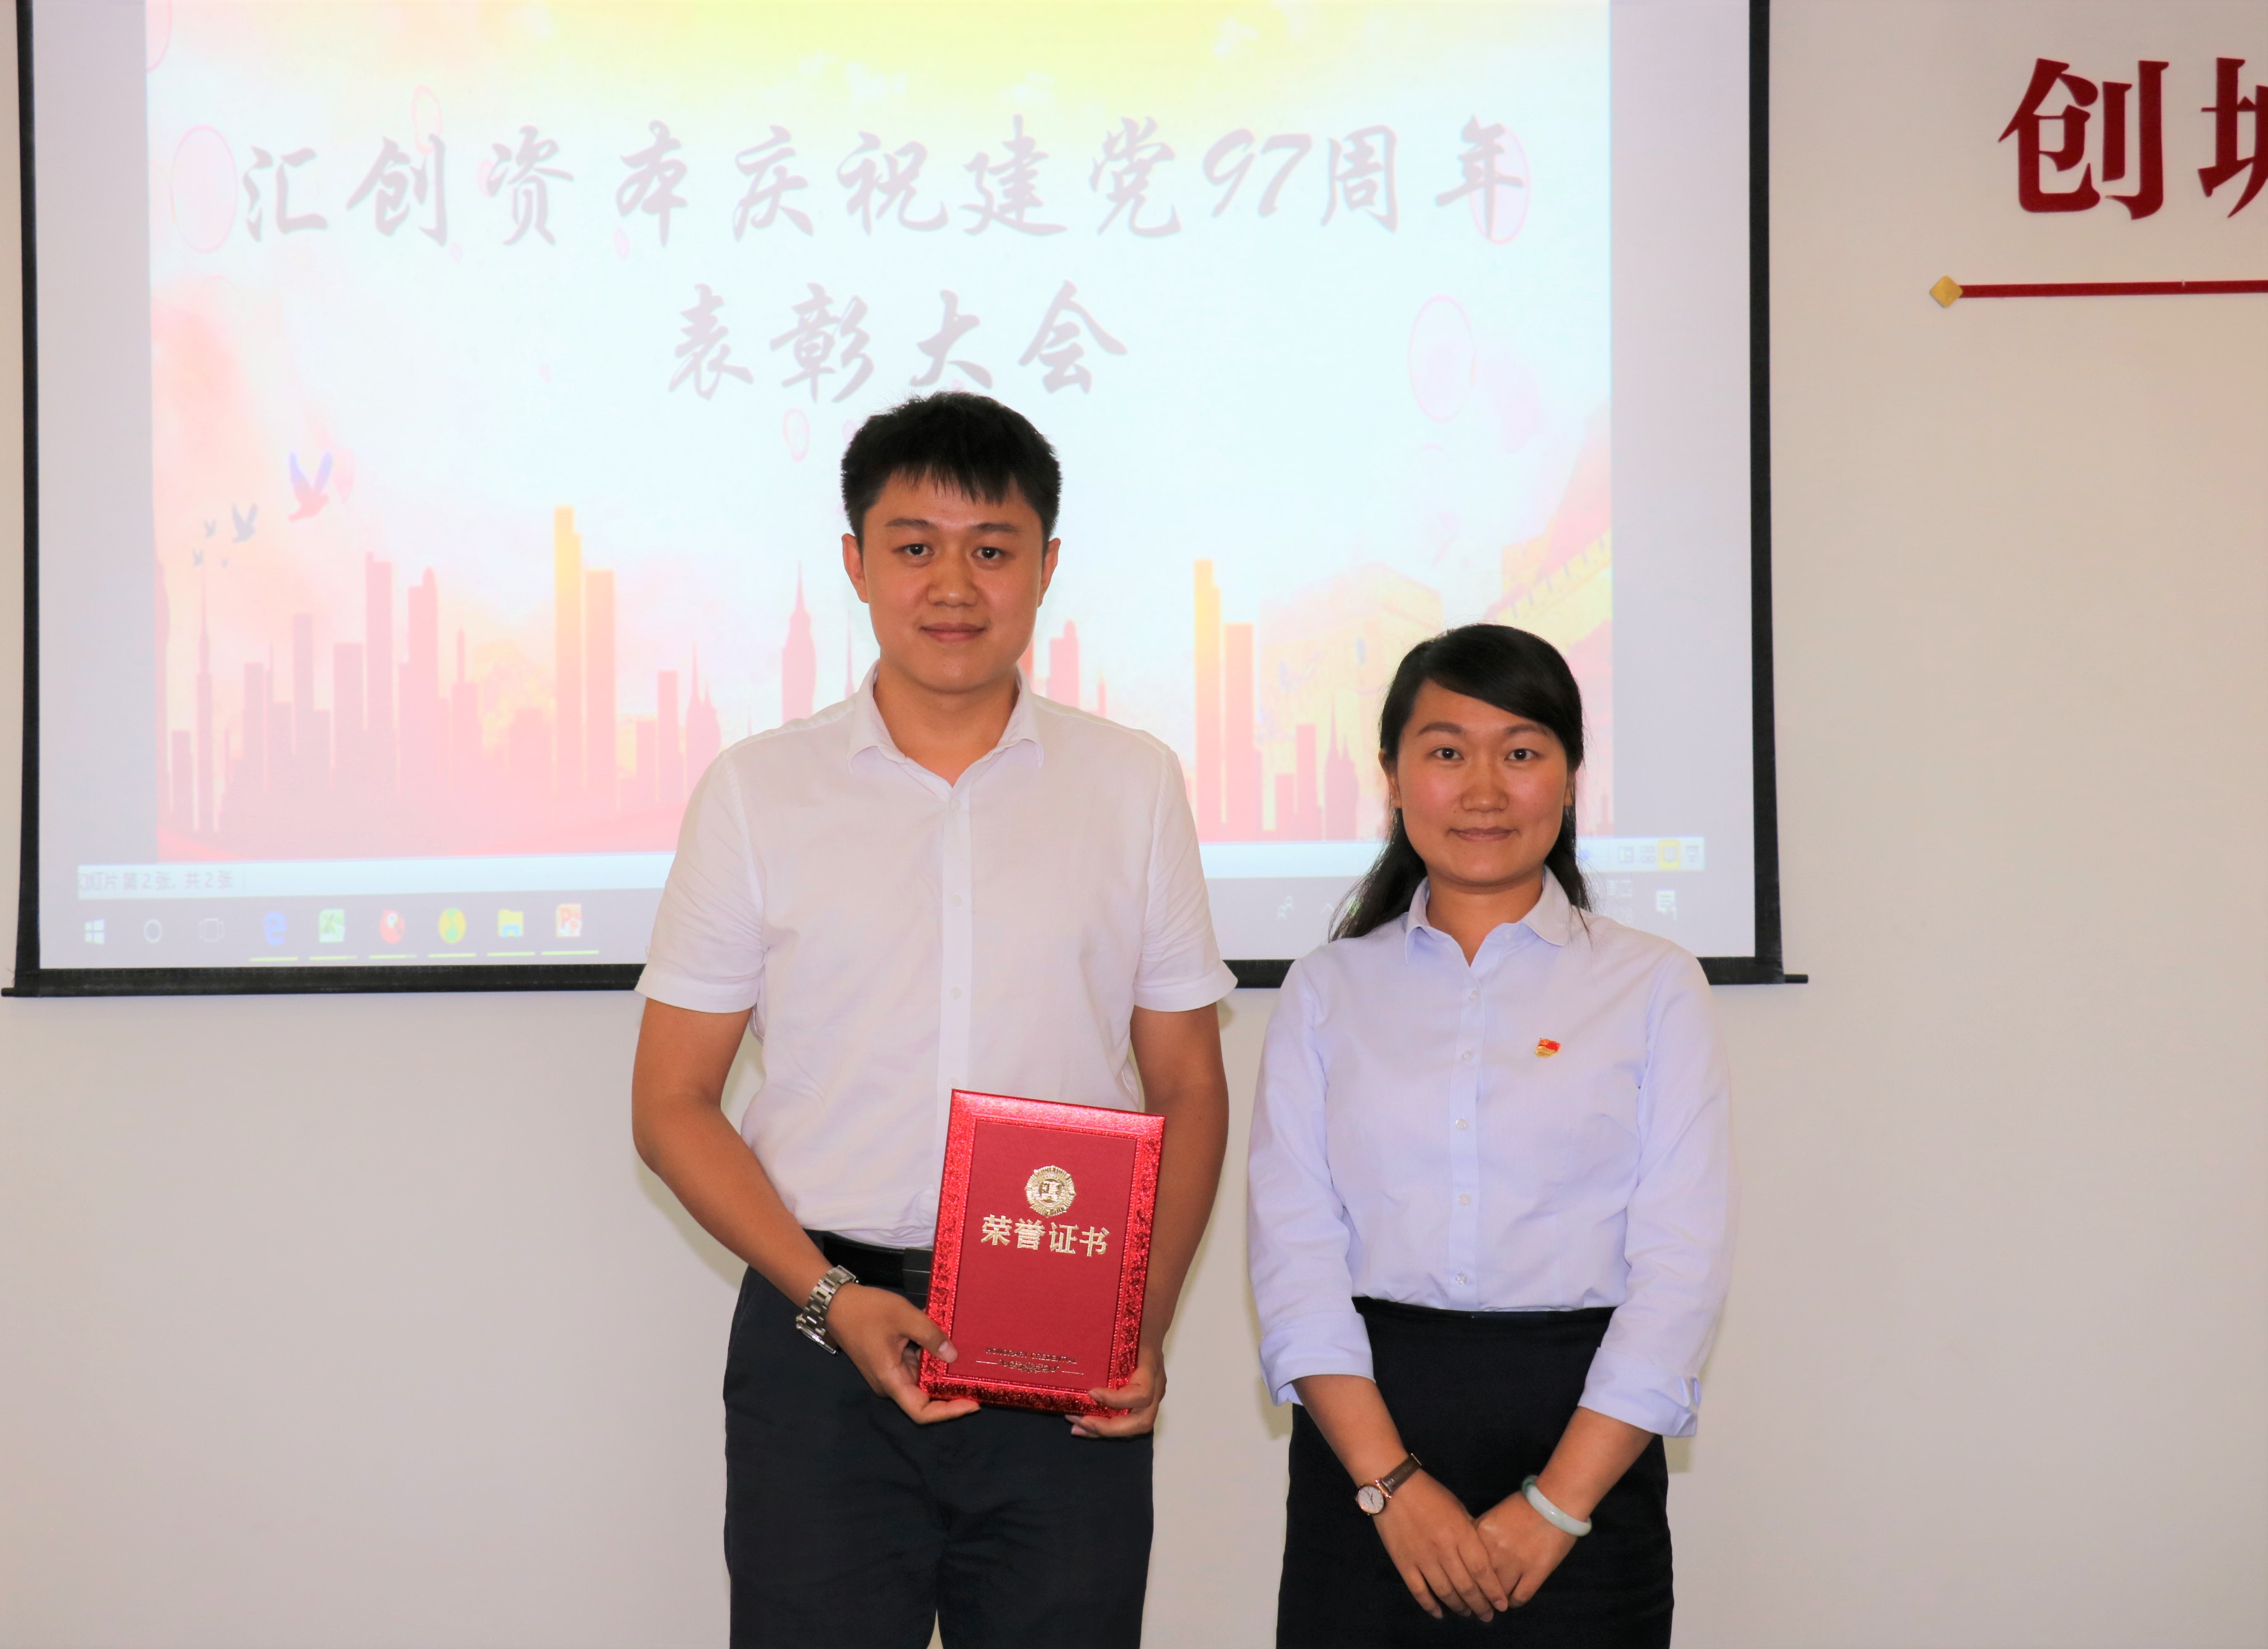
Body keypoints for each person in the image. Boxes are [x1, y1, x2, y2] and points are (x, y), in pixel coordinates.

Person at [633, 391, 1234, 1649]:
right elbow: (672, 1102)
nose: (953, 584)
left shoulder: (1130, 786)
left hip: (1062, 1338)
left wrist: (1140, 1317)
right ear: (856, 564)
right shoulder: (757, 792)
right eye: (914, 547)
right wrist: (830, 1298)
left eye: (992, 548)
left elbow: (1186, 1078)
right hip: (820, 1339)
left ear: (1046, 566)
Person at [1247, 624, 1734, 1646]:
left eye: (1520, 752)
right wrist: (1391, 1488)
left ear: (1569, 778)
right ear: (1393, 779)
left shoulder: (1652, 984)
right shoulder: (1328, 989)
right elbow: (1295, 1259)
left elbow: (1681, 1271)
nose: (1483, 790)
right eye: (1445, 752)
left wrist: (1556, 1509)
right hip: (1365, 1450)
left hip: (1585, 1451)